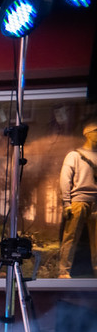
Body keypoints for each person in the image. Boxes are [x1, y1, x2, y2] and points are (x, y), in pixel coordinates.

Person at [58, 117, 97, 278]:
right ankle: (63, 271)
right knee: (70, 238)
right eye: (95, 131)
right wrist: (67, 203)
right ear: (86, 133)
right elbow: (65, 179)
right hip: (78, 201)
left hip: (96, 202)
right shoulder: (74, 155)